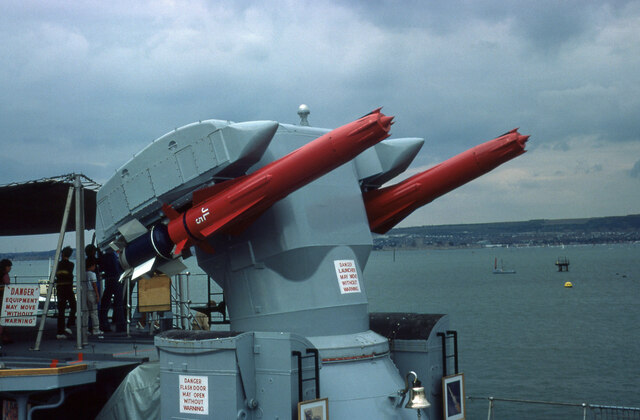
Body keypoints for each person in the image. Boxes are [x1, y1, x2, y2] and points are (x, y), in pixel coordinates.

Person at [99, 249, 125, 332]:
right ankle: (120, 325)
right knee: (118, 303)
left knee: (106, 302)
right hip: (115, 279)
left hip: (110, 279)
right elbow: (117, 268)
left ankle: (104, 323)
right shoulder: (112, 256)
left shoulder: (107, 255)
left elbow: (102, 267)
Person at [55, 246, 76, 339]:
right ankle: (68, 325)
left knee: (61, 310)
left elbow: (58, 275)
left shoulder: (58, 264)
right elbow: (68, 275)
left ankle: (61, 330)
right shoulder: (71, 265)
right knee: (73, 307)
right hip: (68, 288)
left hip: (60, 288)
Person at [84, 259, 102, 337]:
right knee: (94, 312)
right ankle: (96, 329)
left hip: (85, 293)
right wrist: (97, 295)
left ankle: (85, 329)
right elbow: (94, 285)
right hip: (91, 292)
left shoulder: (84, 273)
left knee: (86, 312)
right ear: (92, 266)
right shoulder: (92, 274)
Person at [0, 259, 13, 344]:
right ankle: (4, 337)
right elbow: (7, 285)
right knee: (3, 319)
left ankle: (4, 337)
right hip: (2, 299)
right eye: (9, 266)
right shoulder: (5, 276)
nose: (10, 268)